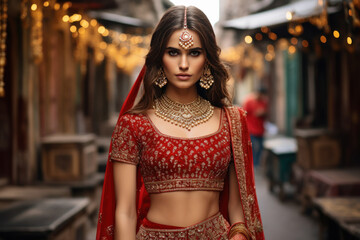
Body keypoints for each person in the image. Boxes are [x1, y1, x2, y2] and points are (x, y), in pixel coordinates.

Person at [96, 6, 264, 240]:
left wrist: (238, 235)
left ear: (207, 59)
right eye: (173, 52)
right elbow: (124, 212)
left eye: (194, 53)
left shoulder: (231, 121)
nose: (183, 64)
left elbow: (238, 209)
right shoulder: (133, 125)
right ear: (159, 57)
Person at [243, 88, 268, 168]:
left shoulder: (264, 102)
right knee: (253, 147)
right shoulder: (249, 102)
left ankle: (256, 164)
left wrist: (262, 113)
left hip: (260, 129)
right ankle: (253, 164)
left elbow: (266, 113)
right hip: (251, 129)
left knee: (260, 147)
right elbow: (244, 114)